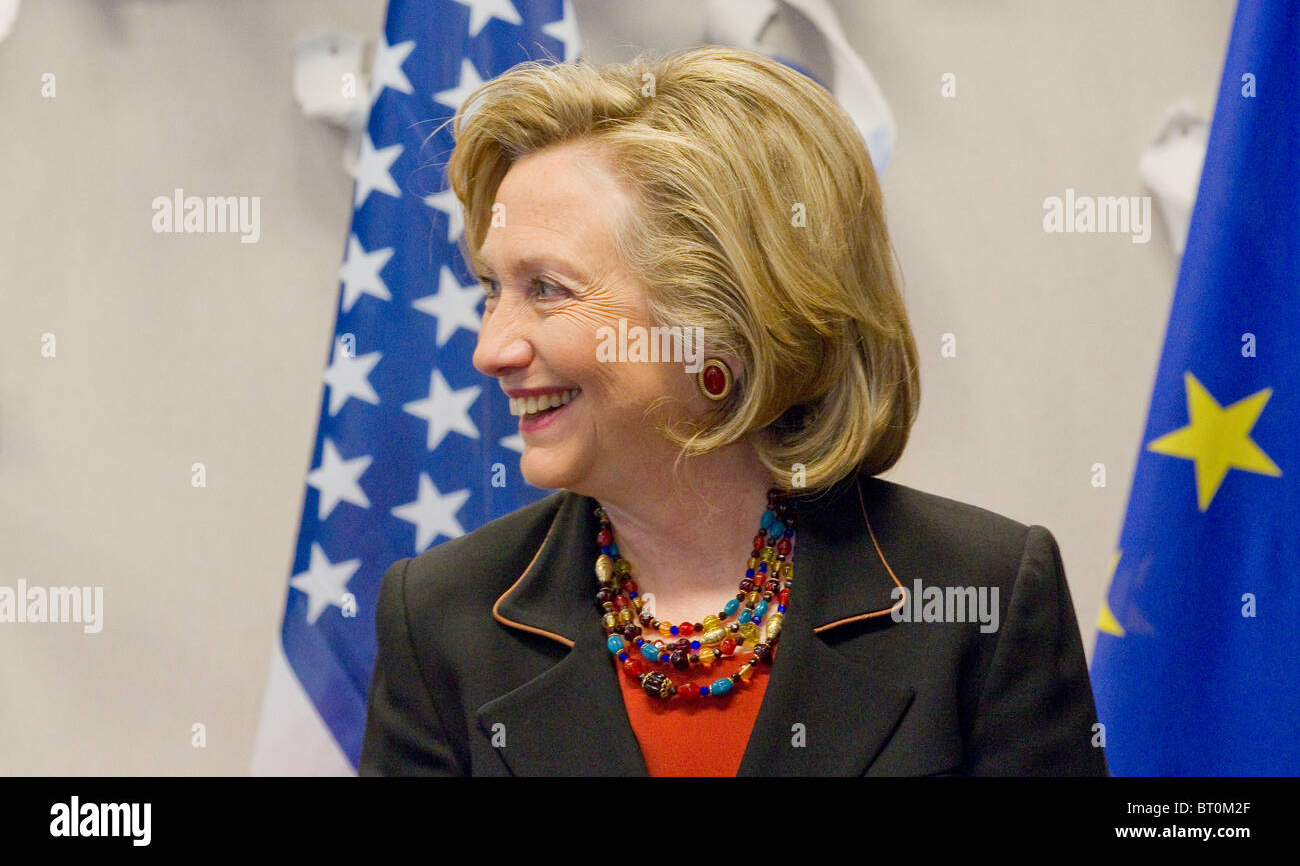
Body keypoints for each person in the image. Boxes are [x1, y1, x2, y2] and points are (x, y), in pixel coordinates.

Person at [358, 45, 1108, 777]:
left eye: (547, 289)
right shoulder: (438, 620)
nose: (491, 348)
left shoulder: (982, 594)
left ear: (726, 316)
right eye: (492, 289)